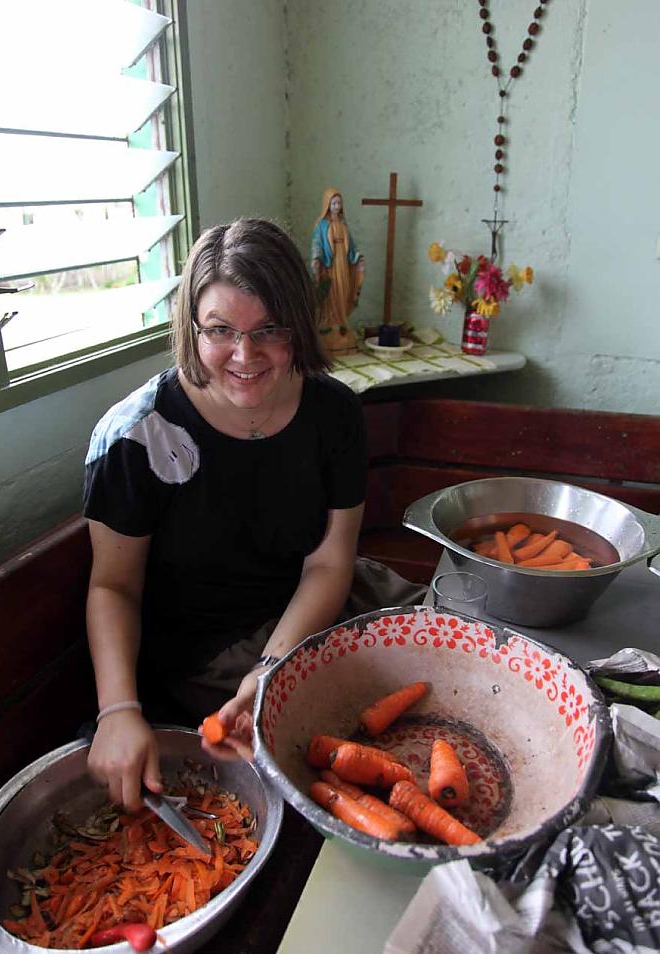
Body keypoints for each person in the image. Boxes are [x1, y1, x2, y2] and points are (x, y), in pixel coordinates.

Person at [83, 218, 425, 811]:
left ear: (299, 323)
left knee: (457, 654)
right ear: (191, 328)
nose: (245, 356)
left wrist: (274, 667)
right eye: (220, 331)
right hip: (209, 648)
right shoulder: (137, 438)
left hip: (315, 602)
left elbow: (329, 562)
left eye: (269, 329)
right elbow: (113, 587)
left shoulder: (334, 413)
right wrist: (117, 710)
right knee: (338, 757)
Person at [310, 188, 365, 355]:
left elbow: (352, 246)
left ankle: (342, 322)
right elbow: (317, 243)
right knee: (330, 294)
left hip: (343, 264)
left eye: (339, 203)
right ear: (327, 204)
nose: (336, 206)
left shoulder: (343, 224)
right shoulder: (321, 225)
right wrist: (316, 259)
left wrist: (357, 258)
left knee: (342, 293)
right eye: (333, 203)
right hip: (330, 266)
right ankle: (329, 324)